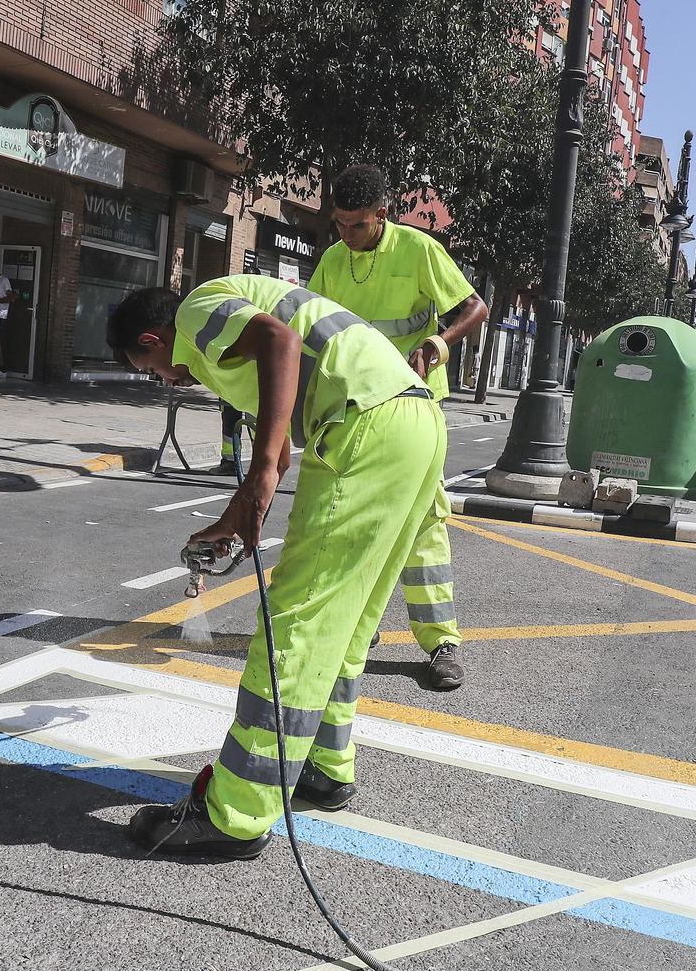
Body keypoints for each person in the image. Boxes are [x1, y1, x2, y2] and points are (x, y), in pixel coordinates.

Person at [107, 277, 447, 859]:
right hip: (414, 423)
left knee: (294, 627)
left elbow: (281, 343)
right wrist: (233, 517)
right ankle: (325, 763)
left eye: (150, 369)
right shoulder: (227, 340)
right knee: (345, 622)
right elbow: (281, 439)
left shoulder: (198, 311)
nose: (165, 380)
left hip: (362, 426)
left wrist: (262, 471)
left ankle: (236, 814)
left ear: (152, 339)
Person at [307, 165, 488, 691]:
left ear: (382, 216)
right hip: (356, 408)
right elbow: (311, 325)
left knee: (423, 523)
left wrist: (441, 341)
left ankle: (441, 642)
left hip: (413, 408)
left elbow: (476, 306)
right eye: (338, 224)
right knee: (353, 521)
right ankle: (360, 628)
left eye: (355, 225)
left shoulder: (417, 249)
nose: (345, 235)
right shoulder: (332, 261)